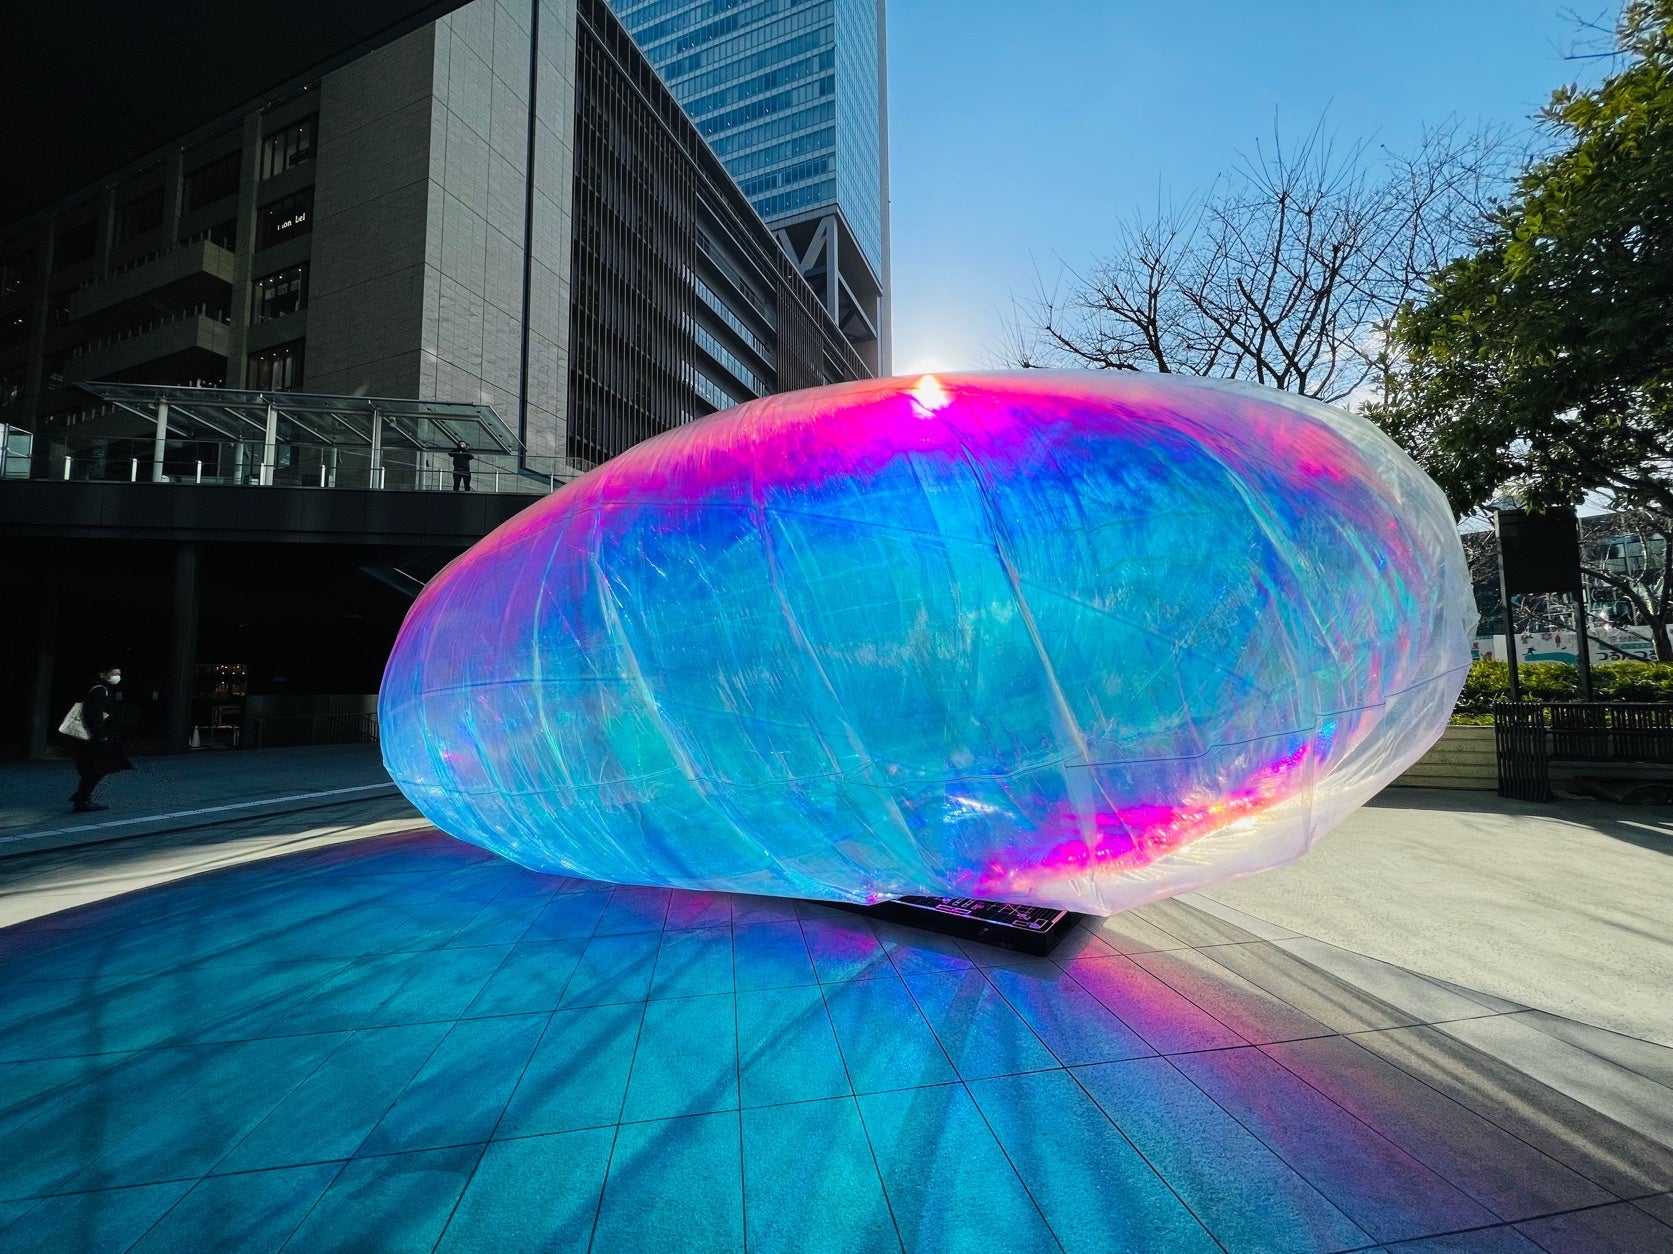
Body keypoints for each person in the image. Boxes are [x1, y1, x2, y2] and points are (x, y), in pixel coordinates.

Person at [69, 666, 133, 813]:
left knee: (93, 768)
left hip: (89, 737)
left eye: (119, 674)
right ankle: (82, 799)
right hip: (93, 738)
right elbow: (95, 714)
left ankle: (82, 797)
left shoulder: (97, 688)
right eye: (114, 673)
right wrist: (101, 734)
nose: (117, 677)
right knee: (97, 768)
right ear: (103, 674)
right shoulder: (100, 690)